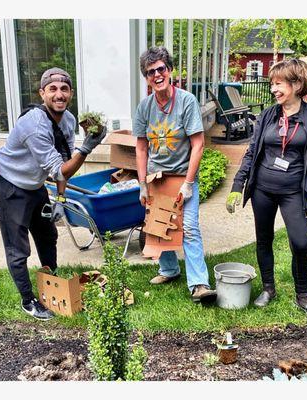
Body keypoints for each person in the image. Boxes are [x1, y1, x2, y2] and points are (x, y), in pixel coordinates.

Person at [0, 67, 106, 320]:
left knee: (47, 235)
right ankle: (28, 300)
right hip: (10, 183)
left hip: (35, 184)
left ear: (71, 93)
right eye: (52, 89)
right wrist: (86, 149)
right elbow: (59, 169)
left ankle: (49, 284)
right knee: (18, 247)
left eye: (64, 89)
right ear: (42, 93)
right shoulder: (34, 125)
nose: (59, 94)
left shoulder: (69, 120)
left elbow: (63, 164)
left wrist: (61, 199)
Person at [226, 59, 307, 319]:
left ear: (296, 84)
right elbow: (251, 152)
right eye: (272, 84)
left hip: (293, 191)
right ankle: (268, 288)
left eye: (278, 83)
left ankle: (303, 296)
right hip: (262, 189)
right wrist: (238, 185)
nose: (273, 89)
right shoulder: (268, 115)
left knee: (300, 243)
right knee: (264, 239)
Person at [133, 46, 216, 304]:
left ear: (170, 71)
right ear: (146, 78)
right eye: (150, 72)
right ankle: (169, 270)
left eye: (160, 69)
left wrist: (189, 183)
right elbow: (141, 146)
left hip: (182, 175)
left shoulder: (186, 101)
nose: (156, 75)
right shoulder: (144, 107)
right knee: (159, 226)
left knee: (189, 227)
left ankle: (199, 283)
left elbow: (198, 144)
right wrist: (142, 184)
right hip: (157, 178)